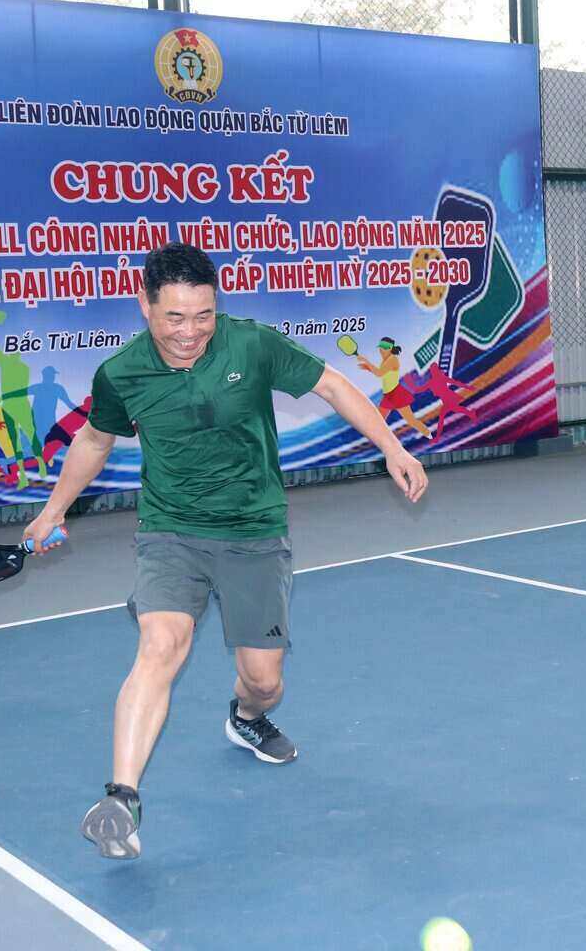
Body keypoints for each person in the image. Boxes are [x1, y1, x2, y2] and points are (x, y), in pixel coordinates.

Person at [22, 242, 428, 859]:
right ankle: (121, 799)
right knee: (161, 646)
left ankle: (246, 718)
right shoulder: (122, 373)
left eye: (203, 315)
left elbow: (333, 384)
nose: (190, 333)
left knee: (263, 680)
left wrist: (392, 447)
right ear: (145, 307)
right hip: (171, 530)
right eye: (175, 318)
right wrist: (52, 511)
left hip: (252, 532)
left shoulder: (251, 345)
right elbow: (94, 441)